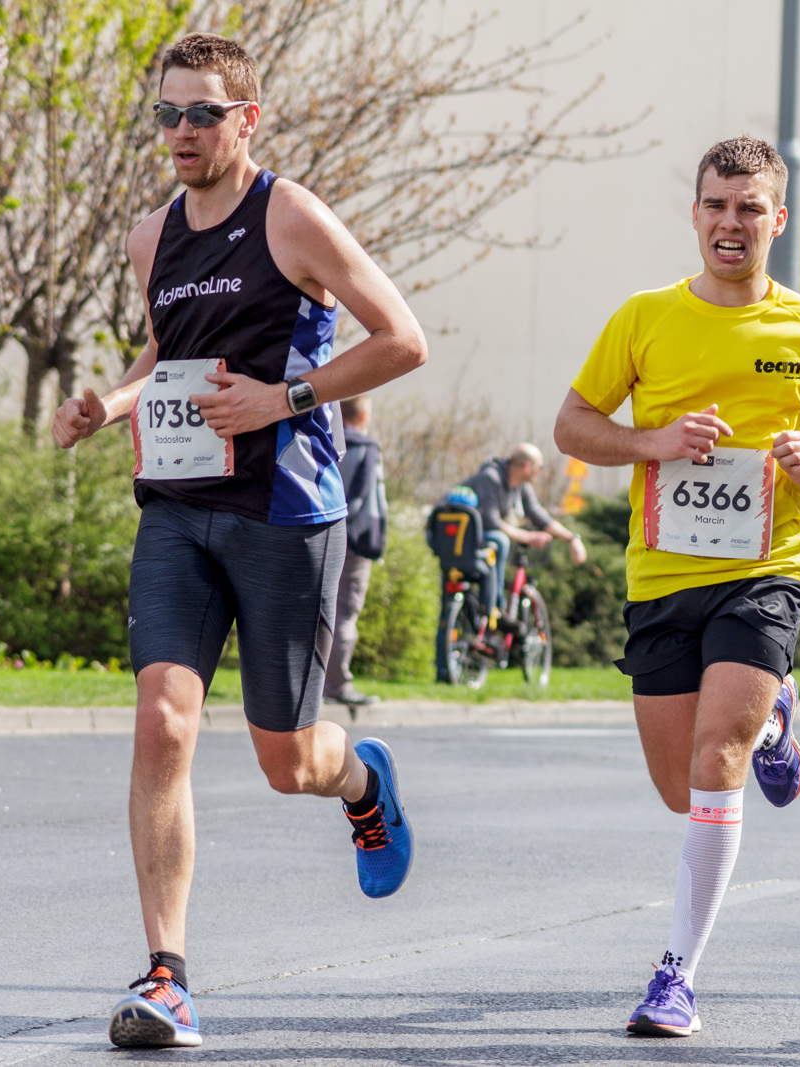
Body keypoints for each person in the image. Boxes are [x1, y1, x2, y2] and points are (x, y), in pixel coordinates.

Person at [49, 34, 425, 1049]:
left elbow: (401, 336)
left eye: (202, 113)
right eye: (167, 113)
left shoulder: (290, 216)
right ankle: (167, 973)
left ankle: (360, 779)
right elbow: (172, 350)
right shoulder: (148, 236)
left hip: (284, 511)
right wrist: (111, 401)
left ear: (246, 119)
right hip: (176, 503)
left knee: (285, 759)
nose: (180, 131)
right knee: (162, 721)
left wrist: (284, 398)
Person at [554, 136, 800, 1038]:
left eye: (749, 208)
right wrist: (651, 442)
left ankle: (676, 976)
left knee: (715, 764)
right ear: (695, 213)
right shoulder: (645, 318)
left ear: (778, 218)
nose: (730, 222)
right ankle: (775, 715)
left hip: (764, 570)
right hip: (661, 575)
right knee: (677, 787)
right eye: (715, 205)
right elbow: (574, 425)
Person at [461, 443, 587, 629]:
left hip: (475, 537)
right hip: (457, 537)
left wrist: (572, 538)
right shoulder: (490, 478)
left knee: (499, 541)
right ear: (527, 466)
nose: (540, 472)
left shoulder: (520, 485)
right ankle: (496, 609)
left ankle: (485, 614)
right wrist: (528, 537)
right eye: (540, 467)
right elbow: (491, 521)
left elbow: (538, 515)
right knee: (500, 541)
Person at [324, 394, 387, 709]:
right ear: (363, 417)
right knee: (345, 612)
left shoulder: (319, 438)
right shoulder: (367, 448)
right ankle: (337, 685)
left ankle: (311, 684)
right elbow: (363, 499)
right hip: (353, 540)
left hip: (315, 534)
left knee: (313, 612)